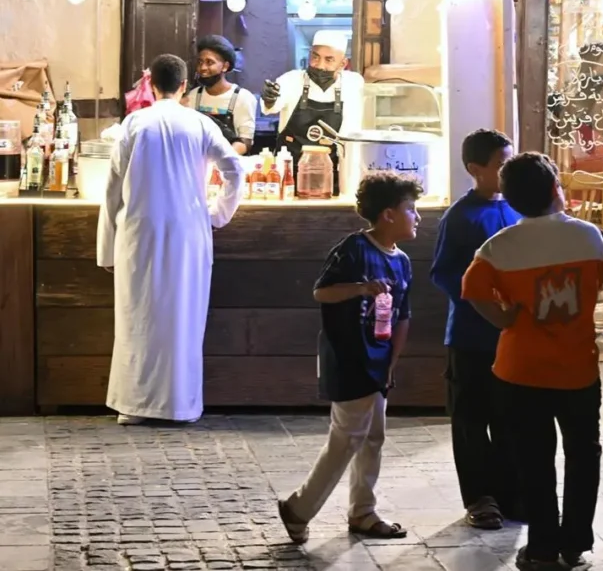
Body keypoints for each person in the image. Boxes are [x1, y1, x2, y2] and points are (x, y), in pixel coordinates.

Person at [462, 153, 603, 571]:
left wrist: (503, 318)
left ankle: (541, 549)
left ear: (511, 199)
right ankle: (575, 544)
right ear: (557, 189)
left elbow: (472, 288)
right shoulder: (589, 237)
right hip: (577, 369)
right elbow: (602, 277)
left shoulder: (498, 247)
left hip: (520, 371)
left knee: (534, 461)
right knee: (583, 456)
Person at [97, 54, 244, 425]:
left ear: (151, 84)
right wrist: (217, 213)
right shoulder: (199, 123)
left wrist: (106, 248)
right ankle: (181, 407)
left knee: (137, 318)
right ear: (183, 86)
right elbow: (234, 169)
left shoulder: (134, 123)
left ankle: (133, 407)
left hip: (138, 232)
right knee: (183, 319)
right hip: (187, 233)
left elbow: (112, 188)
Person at [278, 171, 423, 545]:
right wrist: (360, 288)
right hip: (349, 358)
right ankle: (299, 508)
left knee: (373, 436)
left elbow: (402, 316)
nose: (417, 217)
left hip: (378, 362)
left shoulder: (402, 261)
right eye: (411, 209)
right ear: (388, 214)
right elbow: (322, 292)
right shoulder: (354, 249)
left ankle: (363, 511)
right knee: (347, 438)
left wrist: (392, 362)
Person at [430, 129, 522, 530]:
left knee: (508, 418)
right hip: (470, 336)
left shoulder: (520, 209)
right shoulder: (460, 216)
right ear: (475, 169)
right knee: (470, 420)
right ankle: (480, 499)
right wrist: (485, 302)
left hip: (512, 336)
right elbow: (444, 273)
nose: (509, 170)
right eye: (502, 164)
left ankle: (510, 495)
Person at [261, 30, 364, 194]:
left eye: (329, 60)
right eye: (315, 57)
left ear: (343, 64)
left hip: (330, 176)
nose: (320, 65)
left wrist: (349, 189)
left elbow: (351, 139)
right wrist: (269, 98)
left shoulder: (351, 85)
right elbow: (272, 106)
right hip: (289, 174)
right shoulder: (291, 80)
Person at [184, 34, 257, 155]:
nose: (202, 68)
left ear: (225, 66)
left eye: (209, 62)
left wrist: (221, 159)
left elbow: (245, 142)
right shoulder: (192, 96)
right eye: (200, 62)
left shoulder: (243, 98)